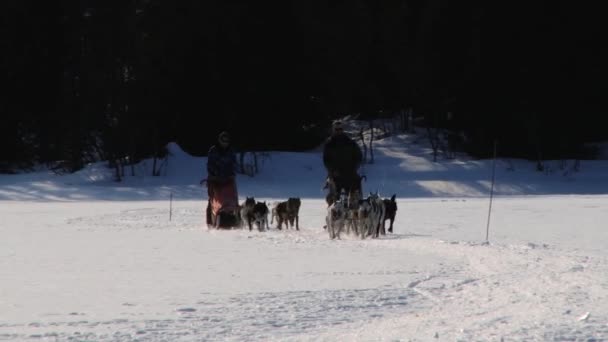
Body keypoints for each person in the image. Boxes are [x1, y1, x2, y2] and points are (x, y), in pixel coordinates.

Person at [322, 120, 363, 204]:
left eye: (340, 129)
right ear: (333, 129)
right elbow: (326, 160)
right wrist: (332, 170)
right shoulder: (329, 144)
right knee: (333, 198)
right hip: (335, 175)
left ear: (343, 129)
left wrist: (354, 168)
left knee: (355, 195)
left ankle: (356, 210)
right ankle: (333, 211)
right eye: (336, 129)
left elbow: (358, 156)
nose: (338, 131)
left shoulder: (350, 142)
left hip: (350, 173)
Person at [204, 131, 238, 225]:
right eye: (223, 141)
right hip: (215, 179)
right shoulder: (213, 150)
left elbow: (234, 164)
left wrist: (231, 173)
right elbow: (210, 165)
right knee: (212, 199)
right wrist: (216, 174)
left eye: (227, 141)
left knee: (232, 197)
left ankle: (235, 218)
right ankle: (210, 222)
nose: (225, 143)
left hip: (228, 179)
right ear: (220, 141)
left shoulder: (231, 151)